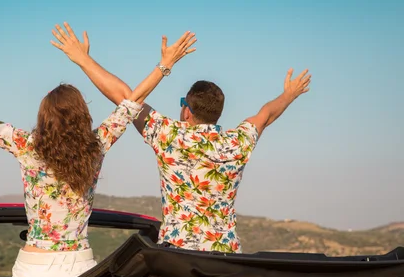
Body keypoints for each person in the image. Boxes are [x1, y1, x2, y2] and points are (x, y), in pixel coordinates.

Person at [0, 25, 196, 277]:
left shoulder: (27, 146)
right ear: (83, 116)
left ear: (44, 116)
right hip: (80, 267)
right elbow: (132, 102)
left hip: (31, 269)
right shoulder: (96, 145)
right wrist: (164, 65)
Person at [60, 24, 311, 253]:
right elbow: (266, 115)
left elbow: (126, 97)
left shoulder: (169, 135)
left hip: (177, 256)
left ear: (187, 110)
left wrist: (83, 59)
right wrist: (289, 94)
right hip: (227, 258)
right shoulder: (238, 142)